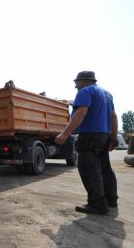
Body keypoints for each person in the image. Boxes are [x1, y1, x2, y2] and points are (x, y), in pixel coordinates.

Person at [55, 71, 118, 214]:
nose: (75, 85)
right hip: (105, 135)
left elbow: (81, 112)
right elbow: (113, 116)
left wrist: (65, 134)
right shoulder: (106, 94)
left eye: (76, 82)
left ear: (83, 81)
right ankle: (111, 200)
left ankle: (97, 204)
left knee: (89, 169)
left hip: (90, 136)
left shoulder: (84, 91)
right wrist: (113, 138)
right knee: (105, 168)